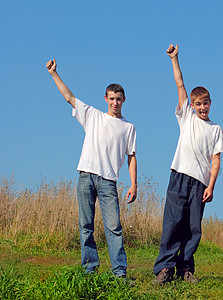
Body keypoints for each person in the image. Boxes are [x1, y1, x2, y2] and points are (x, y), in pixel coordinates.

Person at [46, 59, 137, 278]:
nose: (115, 103)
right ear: (105, 99)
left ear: (124, 100)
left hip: (108, 181)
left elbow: (132, 156)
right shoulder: (93, 116)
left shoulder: (128, 127)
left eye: (119, 99)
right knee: (85, 224)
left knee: (113, 227)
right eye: (112, 99)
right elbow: (69, 97)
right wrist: (54, 73)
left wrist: (134, 184)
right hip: (86, 175)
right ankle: (89, 269)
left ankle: (119, 273)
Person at [153, 44, 223, 284]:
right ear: (192, 106)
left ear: (210, 103)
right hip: (179, 176)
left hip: (200, 182)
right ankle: (165, 268)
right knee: (173, 222)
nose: (202, 107)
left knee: (193, 227)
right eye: (198, 104)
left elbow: (216, 160)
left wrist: (211, 186)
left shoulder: (216, 129)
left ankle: (186, 269)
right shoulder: (186, 117)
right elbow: (180, 84)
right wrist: (175, 59)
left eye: (205, 103)